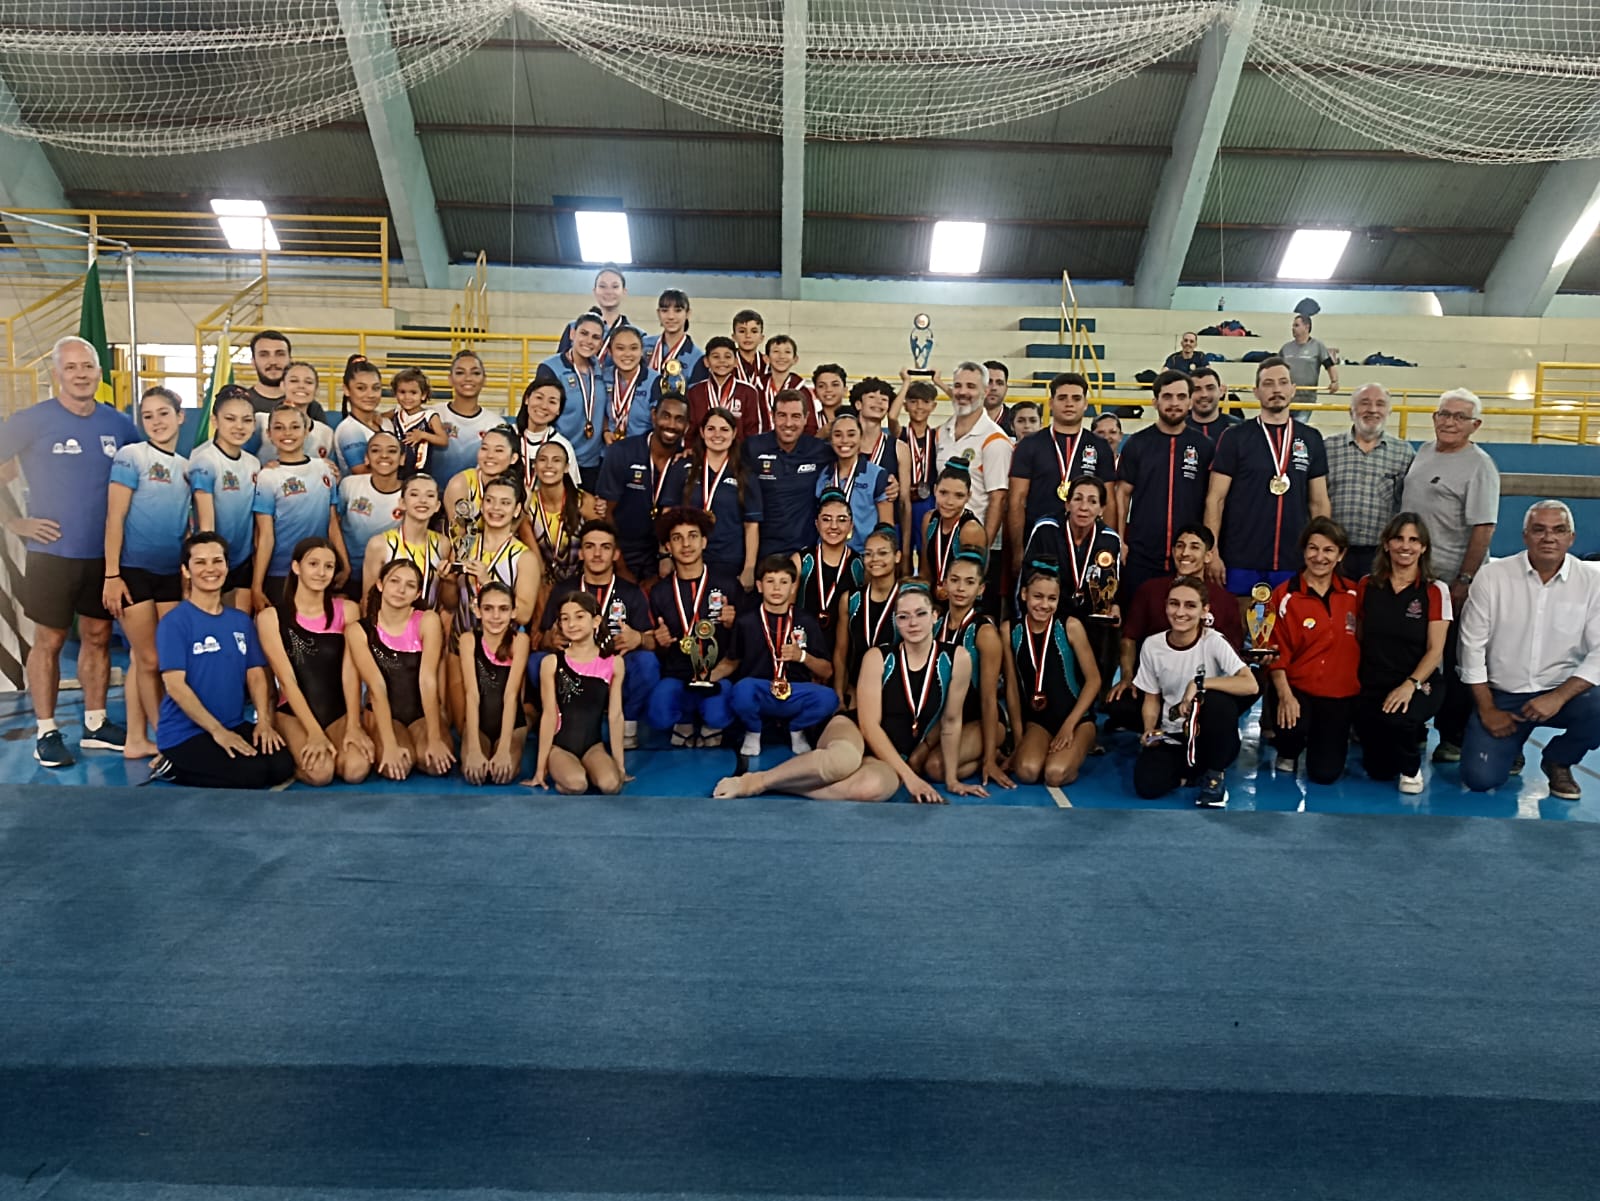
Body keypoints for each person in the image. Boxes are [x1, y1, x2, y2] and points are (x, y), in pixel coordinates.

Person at [713, 582, 986, 803]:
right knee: (843, 761)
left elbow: (950, 722)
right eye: (904, 617)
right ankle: (756, 781)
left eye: (921, 614)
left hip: (895, 754)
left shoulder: (957, 659)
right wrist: (910, 777)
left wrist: (951, 779)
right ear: (896, 622)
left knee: (875, 788)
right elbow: (869, 726)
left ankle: (786, 789)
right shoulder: (878, 657)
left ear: (935, 617)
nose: (913, 623)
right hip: (854, 730)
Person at [0, 335, 137, 766]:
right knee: (50, 640)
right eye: (72, 367)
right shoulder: (31, 420)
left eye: (88, 367)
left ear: (99, 372)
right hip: (52, 555)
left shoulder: (119, 424)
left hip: (104, 556)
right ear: (57, 374)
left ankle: (96, 724)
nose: (81, 374)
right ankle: (47, 730)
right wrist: (13, 523)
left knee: (97, 636)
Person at [1457, 500, 1600, 801]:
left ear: (1571, 538)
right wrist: (1488, 709)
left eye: (1559, 530)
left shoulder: (1593, 582)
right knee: (1480, 780)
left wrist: (1558, 696)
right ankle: (1512, 745)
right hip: (1504, 696)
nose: (1549, 538)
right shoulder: (1492, 578)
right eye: (1539, 530)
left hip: (1563, 694)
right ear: (1524, 536)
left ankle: (1559, 760)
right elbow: (1471, 648)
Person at [1401, 387, 1500, 765]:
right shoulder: (1424, 452)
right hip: (1415, 579)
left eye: (1460, 417)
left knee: (1458, 660)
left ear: (1475, 425)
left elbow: (1483, 528)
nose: (1450, 422)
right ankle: (1416, 723)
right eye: (1444, 414)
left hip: (1454, 581)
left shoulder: (1480, 466)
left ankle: (1454, 735)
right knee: (1419, 655)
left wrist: (1465, 579)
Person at [153, 532, 295, 788]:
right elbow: (175, 686)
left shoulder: (240, 621)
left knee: (281, 765)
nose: (210, 569)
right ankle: (172, 765)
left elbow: (255, 674)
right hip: (186, 733)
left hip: (234, 723)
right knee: (251, 774)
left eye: (217, 561)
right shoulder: (174, 623)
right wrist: (218, 732)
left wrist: (263, 722)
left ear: (227, 567)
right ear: (186, 571)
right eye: (200, 562)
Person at [104, 385, 192, 760]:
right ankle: (165, 735)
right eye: (148, 415)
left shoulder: (187, 467)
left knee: (149, 659)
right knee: (150, 659)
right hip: (134, 571)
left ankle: (136, 739)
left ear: (180, 417)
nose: (156, 421)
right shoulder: (131, 456)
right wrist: (112, 574)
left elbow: (184, 525)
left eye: (163, 413)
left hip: (169, 573)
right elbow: (115, 517)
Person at [1204, 356, 1330, 600]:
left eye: (1283, 383)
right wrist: (1213, 551)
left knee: (1289, 634)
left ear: (1293, 390)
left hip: (1292, 559)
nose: (1276, 389)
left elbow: (1319, 503)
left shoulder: (1311, 438)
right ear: (1256, 392)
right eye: (1268, 384)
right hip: (1240, 558)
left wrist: (1322, 554)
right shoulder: (1235, 437)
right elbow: (1215, 499)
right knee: (1238, 632)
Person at [255, 536, 373, 786]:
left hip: (338, 712)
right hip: (294, 714)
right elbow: (286, 681)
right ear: (296, 567)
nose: (321, 572)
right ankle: (291, 760)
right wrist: (315, 732)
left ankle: (333, 737)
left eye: (328, 566)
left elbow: (351, 674)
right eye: (313, 564)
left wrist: (353, 724)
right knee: (321, 773)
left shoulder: (348, 610)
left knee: (356, 769)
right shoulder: (270, 617)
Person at [1105, 524, 1245, 731]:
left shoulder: (1225, 601)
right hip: (1156, 687)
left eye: (1194, 547)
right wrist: (1127, 677)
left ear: (1208, 556)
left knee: (1230, 701)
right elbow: (1129, 638)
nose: (1185, 553)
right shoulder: (1150, 590)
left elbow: (1234, 654)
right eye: (1180, 546)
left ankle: (1206, 724)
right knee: (1118, 706)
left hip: (1202, 690)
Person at [1132, 575, 1257, 806]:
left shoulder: (1213, 641)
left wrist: (1200, 684)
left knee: (1218, 702)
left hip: (1207, 735)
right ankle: (1191, 772)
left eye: (1190, 606)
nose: (1180, 612)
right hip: (1173, 734)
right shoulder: (1152, 645)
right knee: (1146, 786)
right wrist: (1150, 730)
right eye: (1174, 603)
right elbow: (1151, 698)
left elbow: (1250, 684)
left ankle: (1214, 775)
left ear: (1204, 610)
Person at [537, 520, 658, 748]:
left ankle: (628, 723)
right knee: (538, 663)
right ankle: (562, 718)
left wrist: (640, 638)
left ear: (616, 554)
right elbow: (543, 638)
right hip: (575, 665)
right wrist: (550, 640)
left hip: (613, 663)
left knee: (647, 662)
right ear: (581, 553)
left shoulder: (631, 592)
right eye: (590, 546)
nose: (597, 553)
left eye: (605, 547)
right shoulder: (564, 590)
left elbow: (652, 641)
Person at [1354, 513, 1450, 792]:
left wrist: (1411, 685)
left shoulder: (1435, 590)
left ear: (1423, 547)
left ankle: (1411, 769)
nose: (1405, 546)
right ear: (1386, 544)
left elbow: (1435, 651)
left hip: (1419, 680)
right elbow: (1360, 638)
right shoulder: (1367, 586)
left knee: (1400, 716)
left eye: (1413, 540)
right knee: (1379, 770)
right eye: (1398, 538)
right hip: (1375, 680)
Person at [1266, 517, 1361, 784]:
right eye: (1313, 548)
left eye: (1328, 550)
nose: (1319, 557)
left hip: (1340, 693)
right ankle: (1288, 750)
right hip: (1297, 689)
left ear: (1341, 554)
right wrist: (1285, 696)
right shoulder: (1283, 595)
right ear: (1304, 550)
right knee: (1293, 729)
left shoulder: (1355, 594)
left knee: (1325, 774)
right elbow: (1274, 652)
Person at [717, 554, 838, 758]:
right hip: (760, 690)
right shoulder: (746, 622)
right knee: (741, 690)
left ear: (793, 587)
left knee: (829, 698)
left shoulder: (806, 621)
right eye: (770, 581)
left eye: (783, 582)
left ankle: (797, 730)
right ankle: (753, 731)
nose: (776, 588)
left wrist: (802, 656)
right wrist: (703, 677)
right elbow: (731, 661)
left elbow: (827, 670)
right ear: (759, 585)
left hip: (795, 692)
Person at [348, 557, 453, 781]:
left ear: (417, 595)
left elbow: (427, 680)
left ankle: (420, 742)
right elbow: (376, 687)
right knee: (398, 767)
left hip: (419, 714)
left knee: (434, 763)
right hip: (383, 714)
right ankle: (399, 742)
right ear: (380, 584)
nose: (401, 590)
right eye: (394, 581)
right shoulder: (360, 630)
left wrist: (434, 738)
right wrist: (389, 744)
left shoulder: (428, 620)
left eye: (410, 585)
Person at [1113, 370, 1213, 603]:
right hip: (1142, 554)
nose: (1174, 403)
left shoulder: (1205, 446)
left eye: (1181, 397)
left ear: (1190, 401)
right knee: (1137, 623)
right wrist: (1120, 539)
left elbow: (1213, 499)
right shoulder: (1137, 443)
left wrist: (1210, 547)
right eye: (1167, 397)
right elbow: (1122, 494)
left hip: (1189, 557)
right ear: (1155, 401)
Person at [1020, 476, 1123, 699]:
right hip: (1051, 612)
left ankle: (1098, 697)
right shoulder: (1046, 530)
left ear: (1102, 508)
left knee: (1112, 628)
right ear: (1067, 504)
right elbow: (1026, 580)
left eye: (1092, 501)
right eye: (1078, 499)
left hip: (1090, 615)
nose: (1084, 507)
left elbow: (1113, 588)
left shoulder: (1110, 540)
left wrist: (1113, 606)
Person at [1007, 371, 1116, 579]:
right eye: (1062, 398)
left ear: (1085, 404)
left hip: (1086, 542)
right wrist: (1018, 549)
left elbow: (1108, 501)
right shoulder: (1029, 445)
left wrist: (1108, 545)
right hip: (1039, 540)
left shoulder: (1100, 447)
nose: (1069, 404)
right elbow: (1016, 500)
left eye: (1076, 398)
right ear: (1050, 403)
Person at [645, 507, 739, 747]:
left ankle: (711, 721)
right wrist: (660, 642)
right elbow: (654, 644)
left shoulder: (727, 584)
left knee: (718, 713)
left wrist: (733, 623)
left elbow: (746, 642)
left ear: (704, 542)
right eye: (677, 538)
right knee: (658, 713)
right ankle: (685, 718)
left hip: (717, 674)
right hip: (677, 675)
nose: (686, 544)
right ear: (668, 547)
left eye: (693, 536)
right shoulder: (659, 592)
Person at [1001, 558, 1099, 787]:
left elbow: (1094, 680)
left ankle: (1083, 745)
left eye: (1051, 598)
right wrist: (1018, 741)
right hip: (1038, 720)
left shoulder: (1070, 626)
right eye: (1038, 596)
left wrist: (1069, 725)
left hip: (1077, 719)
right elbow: (1012, 688)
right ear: (1024, 594)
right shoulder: (1009, 630)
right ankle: (1045, 749)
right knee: (1026, 772)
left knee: (1054, 775)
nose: (1044, 605)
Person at [527, 591, 627, 794]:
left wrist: (620, 765)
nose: (572, 623)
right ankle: (570, 772)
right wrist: (540, 769)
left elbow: (615, 716)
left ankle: (590, 768)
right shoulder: (552, 663)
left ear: (596, 621)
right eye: (565, 619)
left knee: (611, 785)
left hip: (593, 746)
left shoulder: (613, 664)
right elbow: (549, 715)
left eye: (579, 616)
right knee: (577, 784)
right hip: (561, 747)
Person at [930, 549, 1014, 789]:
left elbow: (988, 699)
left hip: (981, 719)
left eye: (969, 582)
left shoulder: (984, 634)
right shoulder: (935, 627)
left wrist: (988, 761)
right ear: (944, 583)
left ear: (981, 589)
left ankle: (994, 752)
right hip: (948, 718)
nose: (960, 588)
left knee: (935, 768)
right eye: (954, 580)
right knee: (916, 761)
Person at [252, 405, 347, 611]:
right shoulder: (267, 477)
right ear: (269, 434)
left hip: (317, 571)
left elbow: (332, 524)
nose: (287, 433)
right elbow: (265, 535)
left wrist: (344, 564)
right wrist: (257, 585)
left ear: (307, 431)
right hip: (280, 572)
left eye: (295, 427)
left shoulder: (324, 469)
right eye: (279, 427)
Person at [595, 393, 691, 584]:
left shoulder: (688, 462)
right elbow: (606, 515)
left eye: (679, 419)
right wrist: (620, 566)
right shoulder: (622, 452)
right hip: (623, 550)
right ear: (653, 416)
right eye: (666, 416)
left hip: (666, 554)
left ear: (687, 426)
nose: (671, 425)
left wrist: (667, 560)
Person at [1323, 383, 1414, 578]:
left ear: (1389, 412)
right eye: (1365, 403)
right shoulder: (1327, 448)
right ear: (1351, 411)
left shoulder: (1404, 453)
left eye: (1380, 404)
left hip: (1381, 554)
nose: (1373, 410)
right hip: (1334, 553)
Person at [938, 361, 1012, 593]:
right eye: (958, 385)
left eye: (971, 386)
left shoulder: (995, 440)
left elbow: (999, 499)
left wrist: (983, 551)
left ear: (985, 391)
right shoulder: (942, 432)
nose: (963, 392)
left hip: (974, 543)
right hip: (942, 540)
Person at [189, 384, 262, 610]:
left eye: (246, 420)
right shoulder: (205, 460)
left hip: (242, 559)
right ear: (215, 421)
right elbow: (206, 524)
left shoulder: (253, 463)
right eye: (230, 419)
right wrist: (211, 562)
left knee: (240, 628)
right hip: (214, 560)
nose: (239, 426)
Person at [455, 580, 530, 786]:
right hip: (478, 723)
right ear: (477, 611)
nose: (496, 617)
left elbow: (511, 695)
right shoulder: (468, 640)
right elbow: (471, 694)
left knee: (501, 775)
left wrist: (505, 749)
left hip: (513, 725)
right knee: (474, 774)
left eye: (503, 609)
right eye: (488, 609)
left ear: (514, 612)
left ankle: (515, 735)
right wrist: (473, 749)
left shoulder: (520, 641)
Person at [748, 389, 836, 560]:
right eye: (782, 415)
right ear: (773, 416)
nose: (788, 423)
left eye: (795, 416)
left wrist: (889, 480)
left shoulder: (819, 449)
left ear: (806, 418)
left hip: (806, 551)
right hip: (764, 552)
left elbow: (851, 459)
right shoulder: (752, 448)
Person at [679, 406, 761, 589]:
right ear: (701, 432)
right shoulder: (684, 468)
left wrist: (749, 567)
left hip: (729, 560)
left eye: (724, 429)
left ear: (734, 434)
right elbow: (669, 514)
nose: (717, 435)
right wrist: (665, 555)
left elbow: (751, 525)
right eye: (711, 429)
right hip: (688, 558)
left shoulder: (745, 475)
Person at [445, 472, 539, 632]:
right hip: (460, 643)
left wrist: (487, 581)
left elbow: (524, 615)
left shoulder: (525, 558)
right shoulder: (464, 546)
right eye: (490, 501)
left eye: (505, 503)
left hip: (503, 649)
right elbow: (449, 603)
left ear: (516, 510)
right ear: (481, 506)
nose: (496, 508)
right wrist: (447, 580)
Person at [832, 523, 901, 710]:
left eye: (882, 553)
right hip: (856, 686)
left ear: (897, 556)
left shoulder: (908, 599)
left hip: (897, 690)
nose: (874, 559)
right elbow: (841, 651)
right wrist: (839, 691)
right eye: (868, 553)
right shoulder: (850, 599)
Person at [541, 312, 610, 490]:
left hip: (592, 463)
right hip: (560, 461)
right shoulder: (551, 368)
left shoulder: (601, 371)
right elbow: (540, 415)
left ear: (601, 343)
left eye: (595, 337)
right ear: (572, 334)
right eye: (584, 333)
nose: (589, 341)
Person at [524, 440, 599, 597]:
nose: (549, 465)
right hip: (543, 584)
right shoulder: (527, 505)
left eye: (556, 460)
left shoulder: (584, 501)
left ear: (566, 468)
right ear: (534, 466)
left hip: (582, 584)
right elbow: (534, 558)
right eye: (543, 460)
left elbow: (601, 544)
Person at [363, 472, 446, 610]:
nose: (423, 500)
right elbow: (367, 599)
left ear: (437, 506)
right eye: (414, 494)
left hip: (427, 626)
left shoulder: (443, 544)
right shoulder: (379, 544)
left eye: (430, 495)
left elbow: (443, 601)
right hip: (388, 627)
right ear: (402, 503)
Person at [794, 488, 865, 652]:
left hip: (844, 646)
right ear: (817, 524)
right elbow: (788, 611)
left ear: (851, 525)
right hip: (803, 645)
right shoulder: (801, 560)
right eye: (826, 519)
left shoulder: (859, 565)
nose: (834, 526)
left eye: (841, 520)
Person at [818, 407, 894, 554]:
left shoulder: (877, 475)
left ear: (861, 438)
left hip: (863, 556)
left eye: (851, 434)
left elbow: (886, 525)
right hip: (828, 555)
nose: (844, 440)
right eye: (838, 435)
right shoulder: (823, 475)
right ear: (831, 439)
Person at [338, 430, 405, 596]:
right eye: (376, 450)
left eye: (391, 451)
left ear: (402, 458)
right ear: (366, 458)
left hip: (389, 578)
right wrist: (343, 566)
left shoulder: (410, 493)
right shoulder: (349, 485)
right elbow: (333, 526)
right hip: (348, 574)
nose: (384, 455)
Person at [428, 349, 506, 486]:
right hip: (431, 499)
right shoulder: (432, 414)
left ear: (484, 379)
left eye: (475, 373)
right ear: (450, 379)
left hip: (477, 500)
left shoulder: (496, 424)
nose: (468, 378)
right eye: (460, 373)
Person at [441, 425, 523, 550]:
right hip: (463, 552)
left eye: (499, 450)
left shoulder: (521, 493)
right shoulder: (460, 484)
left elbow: (506, 538)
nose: (490, 455)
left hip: (499, 554)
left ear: (513, 458)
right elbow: (458, 535)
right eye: (484, 448)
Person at [919, 463, 988, 592]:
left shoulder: (970, 530)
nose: (949, 502)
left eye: (959, 496)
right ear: (934, 490)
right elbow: (925, 571)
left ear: (968, 496)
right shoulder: (929, 520)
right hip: (934, 600)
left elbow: (973, 582)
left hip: (962, 600)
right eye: (943, 493)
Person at [511, 372, 580, 490]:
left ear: (559, 410)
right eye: (539, 397)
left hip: (544, 508)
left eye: (552, 402)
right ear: (527, 399)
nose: (544, 406)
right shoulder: (506, 436)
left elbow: (571, 491)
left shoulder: (563, 445)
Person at [261, 360, 336, 468]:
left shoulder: (326, 433)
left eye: (308, 382)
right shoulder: (260, 423)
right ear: (282, 385)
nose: (301, 386)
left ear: (316, 390)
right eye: (294, 381)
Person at [897, 379, 940, 565]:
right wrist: (905, 382)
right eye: (913, 401)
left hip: (927, 500)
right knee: (901, 552)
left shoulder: (938, 435)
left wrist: (938, 382)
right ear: (905, 405)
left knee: (927, 551)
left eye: (925, 401)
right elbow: (891, 416)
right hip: (905, 498)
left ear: (934, 406)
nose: (919, 406)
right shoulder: (900, 433)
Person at [687, 335, 761, 439]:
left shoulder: (748, 392)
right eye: (716, 357)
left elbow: (752, 429)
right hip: (703, 452)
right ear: (706, 362)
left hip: (738, 453)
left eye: (727, 357)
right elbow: (691, 429)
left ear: (736, 362)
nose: (722, 361)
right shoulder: (695, 392)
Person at [557, 266, 631, 360]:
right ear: (595, 291)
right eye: (602, 286)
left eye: (615, 286)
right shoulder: (573, 327)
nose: (608, 291)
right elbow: (560, 365)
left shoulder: (635, 334)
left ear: (624, 292)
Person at [385, 367, 447, 480]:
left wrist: (423, 435)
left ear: (423, 395)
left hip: (420, 472)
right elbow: (376, 419)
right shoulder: (396, 412)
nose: (407, 397)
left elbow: (443, 440)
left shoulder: (429, 416)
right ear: (395, 394)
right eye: (402, 392)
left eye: (413, 392)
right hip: (395, 471)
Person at [246, 330, 321, 421]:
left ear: (290, 359)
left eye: (280, 354)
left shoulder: (311, 406)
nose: (273, 361)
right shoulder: (242, 403)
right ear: (253, 362)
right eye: (264, 355)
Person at [603, 324, 657, 442]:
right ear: (610, 352)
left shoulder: (656, 381)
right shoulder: (602, 377)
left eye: (633, 348)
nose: (627, 354)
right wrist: (606, 430)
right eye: (620, 348)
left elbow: (659, 424)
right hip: (608, 451)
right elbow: (597, 411)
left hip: (641, 454)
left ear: (642, 351)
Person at [333, 355, 385, 475]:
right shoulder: (349, 430)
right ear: (346, 390)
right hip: (359, 493)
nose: (370, 394)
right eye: (361, 388)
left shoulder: (384, 422)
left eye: (376, 388)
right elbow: (361, 471)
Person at [754, 334, 814, 437]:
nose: (781, 356)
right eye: (776, 352)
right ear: (766, 358)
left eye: (787, 352)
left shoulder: (803, 391)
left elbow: (811, 426)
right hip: (762, 447)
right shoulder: (756, 389)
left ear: (795, 359)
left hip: (794, 448)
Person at [643, 288, 704, 382]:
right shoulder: (643, 345)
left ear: (688, 313)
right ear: (658, 313)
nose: (671, 316)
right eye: (664, 310)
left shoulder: (697, 357)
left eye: (678, 310)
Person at [1280, 313, 1340, 398]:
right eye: (1292, 326)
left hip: (1307, 397)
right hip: (1287, 396)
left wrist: (1334, 381)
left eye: (1296, 325)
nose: (1293, 328)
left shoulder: (1317, 346)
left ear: (1306, 327)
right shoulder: (1286, 348)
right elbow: (1274, 367)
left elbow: (1330, 366)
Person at [1185, 366, 1238, 443]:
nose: (1204, 394)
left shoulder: (1241, 430)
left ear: (1221, 391)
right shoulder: (1175, 430)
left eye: (1210, 388)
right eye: (1196, 389)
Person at [730, 308, 767, 387]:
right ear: (734, 337)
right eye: (742, 331)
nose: (748, 336)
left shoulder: (767, 364)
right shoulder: (727, 363)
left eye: (754, 331)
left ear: (761, 338)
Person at [811, 364, 848, 435]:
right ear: (815, 393)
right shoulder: (810, 420)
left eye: (835, 385)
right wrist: (819, 436)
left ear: (845, 390)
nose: (828, 390)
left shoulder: (856, 419)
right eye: (821, 386)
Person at [983, 359, 1013, 435]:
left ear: (1006, 389)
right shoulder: (963, 423)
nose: (994, 388)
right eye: (989, 382)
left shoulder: (1016, 422)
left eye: (999, 383)